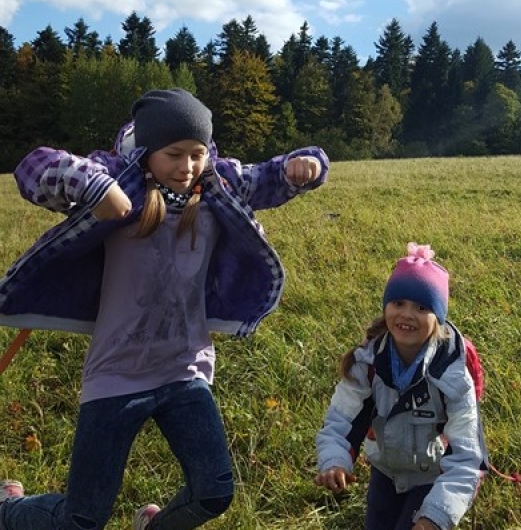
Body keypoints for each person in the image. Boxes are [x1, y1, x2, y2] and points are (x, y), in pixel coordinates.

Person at [0, 88, 329, 530]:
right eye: (174, 154)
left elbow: (268, 177)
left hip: (185, 368)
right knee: (82, 520)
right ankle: (9, 509)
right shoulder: (119, 179)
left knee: (213, 492)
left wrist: (304, 165)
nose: (187, 166)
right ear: (147, 150)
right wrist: (96, 187)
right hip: (117, 373)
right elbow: (34, 167)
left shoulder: (217, 185)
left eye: (197, 153)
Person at [314, 243, 488, 530]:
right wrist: (334, 460)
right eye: (398, 303)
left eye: (421, 307)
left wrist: (436, 515)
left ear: (438, 318)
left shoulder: (452, 375)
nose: (407, 314)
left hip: (431, 477)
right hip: (385, 471)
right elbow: (341, 420)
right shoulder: (368, 363)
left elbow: (468, 454)